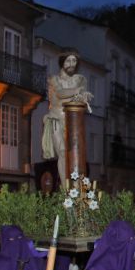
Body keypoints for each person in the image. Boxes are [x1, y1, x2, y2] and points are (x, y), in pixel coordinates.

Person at [42, 50, 93, 182]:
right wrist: (77, 92)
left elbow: (82, 97)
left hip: (73, 122)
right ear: (62, 62)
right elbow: (60, 93)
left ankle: (75, 187)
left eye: (74, 61)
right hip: (56, 119)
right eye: (68, 61)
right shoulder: (54, 79)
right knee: (63, 153)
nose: (72, 64)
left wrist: (84, 96)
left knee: (76, 154)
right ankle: (67, 191)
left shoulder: (80, 80)